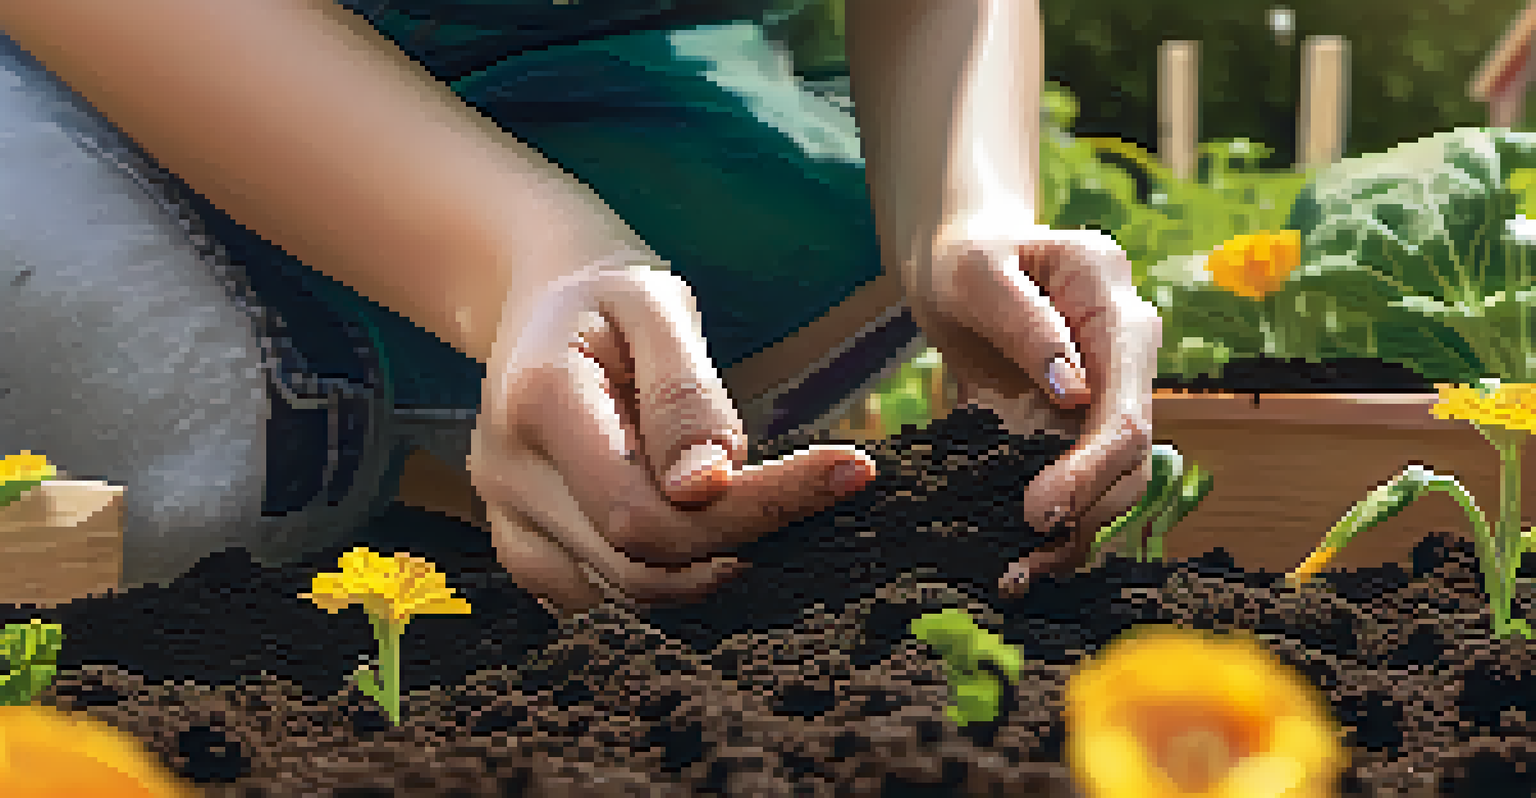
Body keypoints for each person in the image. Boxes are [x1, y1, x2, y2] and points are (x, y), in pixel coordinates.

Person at [0, 0, 1160, 614]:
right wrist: (515, 260)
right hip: (109, 67)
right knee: (179, 440)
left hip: (566, 90)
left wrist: (963, 217)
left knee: (768, 253)